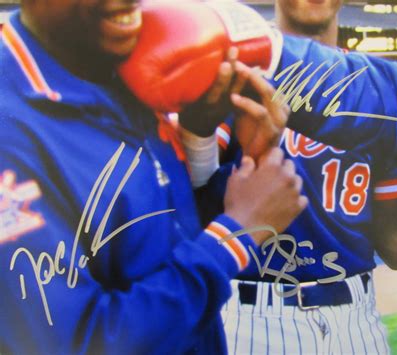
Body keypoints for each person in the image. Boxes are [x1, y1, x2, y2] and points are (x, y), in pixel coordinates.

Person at [0, 1, 308, 353]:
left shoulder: (116, 65)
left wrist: (207, 144)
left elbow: (152, 239)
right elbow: (75, 343)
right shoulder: (10, 129)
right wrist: (234, 237)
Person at [211, 0, 397, 353]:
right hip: (250, 310)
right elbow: (181, 201)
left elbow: (392, 242)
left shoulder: (378, 94)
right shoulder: (232, 68)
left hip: (354, 314)